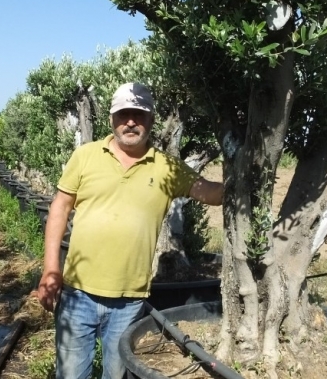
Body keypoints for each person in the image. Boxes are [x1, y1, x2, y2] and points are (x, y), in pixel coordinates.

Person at [37, 82, 224, 379]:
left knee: (118, 376)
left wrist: (245, 173)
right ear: (112, 119)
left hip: (129, 301)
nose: (131, 121)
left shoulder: (167, 168)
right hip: (77, 294)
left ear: (151, 120)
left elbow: (211, 193)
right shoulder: (85, 156)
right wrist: (50, 270)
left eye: (139, 114)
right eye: (124, 114)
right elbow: (59, 208)